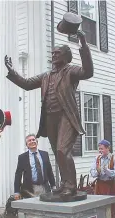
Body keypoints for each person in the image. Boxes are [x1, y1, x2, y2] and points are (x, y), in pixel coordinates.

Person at [5, 30, 93, 198]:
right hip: (50, 118)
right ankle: (65, 184)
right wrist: (12, 71)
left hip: (66, 116)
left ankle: (71, 186)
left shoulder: (71, 71)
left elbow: (88, 72)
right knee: (57, 151)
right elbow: (26, 84)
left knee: (62, 150)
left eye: (57, 53)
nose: (53, 55)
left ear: (66, 56)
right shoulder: (46, 76)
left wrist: (83, 44)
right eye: (52, 53)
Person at [14, 134, 56, 199]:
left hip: (44, 188)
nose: (32, 141)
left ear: (37, 142)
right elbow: (18, 175)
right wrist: (16, 191)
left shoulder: (45, 154)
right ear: (27, 144)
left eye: (33, 140)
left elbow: (49, 171)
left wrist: (53, 186)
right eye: (29, 141)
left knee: (45, 207)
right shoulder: (22, 157)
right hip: (29, 189)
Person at [90, 139, 115, 217]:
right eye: (99, 148)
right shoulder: (97, 159)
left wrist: (107, 171)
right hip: (99, 184)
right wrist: (98, 171)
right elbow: (92, 172)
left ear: (108, 148)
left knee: (110, 206)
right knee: (98, 204)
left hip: (110, 184)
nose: (100, 150)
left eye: (102, 148)